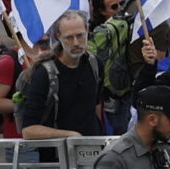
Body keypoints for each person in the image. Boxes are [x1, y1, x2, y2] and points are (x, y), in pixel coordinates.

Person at [18, 11, 107, 140]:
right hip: (57, 155)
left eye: (80, 35)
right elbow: (28, 130)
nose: (76, 43)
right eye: (69, 38)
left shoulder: (95, 64)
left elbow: (96, 106)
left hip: (92, 150)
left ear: (87, 30)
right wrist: (70, 135)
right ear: (58, 36)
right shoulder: (44, 74)